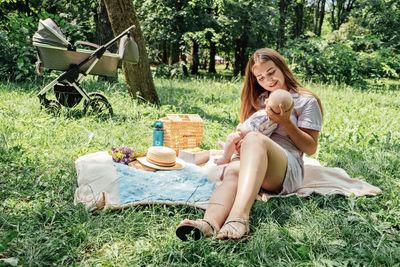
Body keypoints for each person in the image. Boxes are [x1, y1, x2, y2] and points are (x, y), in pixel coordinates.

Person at [176, 48, 323, 241]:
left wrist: (285, 121)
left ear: (282, 68)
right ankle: (209, 223)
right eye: (260, 77)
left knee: (253, 139)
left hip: (285, 169)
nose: (268, 80)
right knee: (234, 171)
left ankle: (239, 218)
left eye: (271, 72)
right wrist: (239, 145)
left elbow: (311, 148)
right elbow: (249, 131)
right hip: (254, 163)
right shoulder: (261, 98)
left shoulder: (306, 101)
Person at [214, 89, 294, 165]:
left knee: (231, 138)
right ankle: (227, 147)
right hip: (256, 143)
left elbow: (252, 133)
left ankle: (225, 158)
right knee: (231, 144)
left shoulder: (263, 117)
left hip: (246, 137)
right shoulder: (277, 121)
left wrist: (241, 127)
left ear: (266, 101)